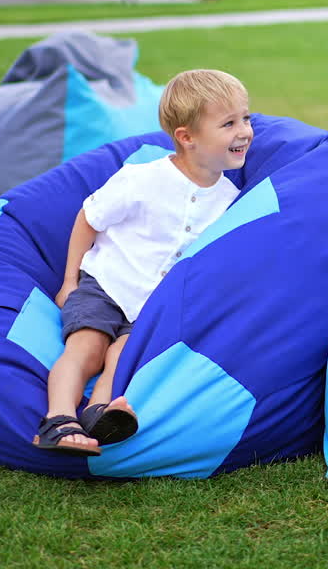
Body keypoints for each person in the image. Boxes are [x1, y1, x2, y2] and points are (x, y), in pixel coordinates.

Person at [32, 69, 254, 456]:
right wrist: (70, 281)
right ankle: (59, 419)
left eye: (246, 118)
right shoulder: (142, 178)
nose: (246, 131)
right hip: (106, 285)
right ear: (187, 138)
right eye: (229, 123)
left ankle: (99, 412)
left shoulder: (229, 200)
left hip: (152, 302)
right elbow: (89, 218)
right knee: (88, 346)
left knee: (124, 352)